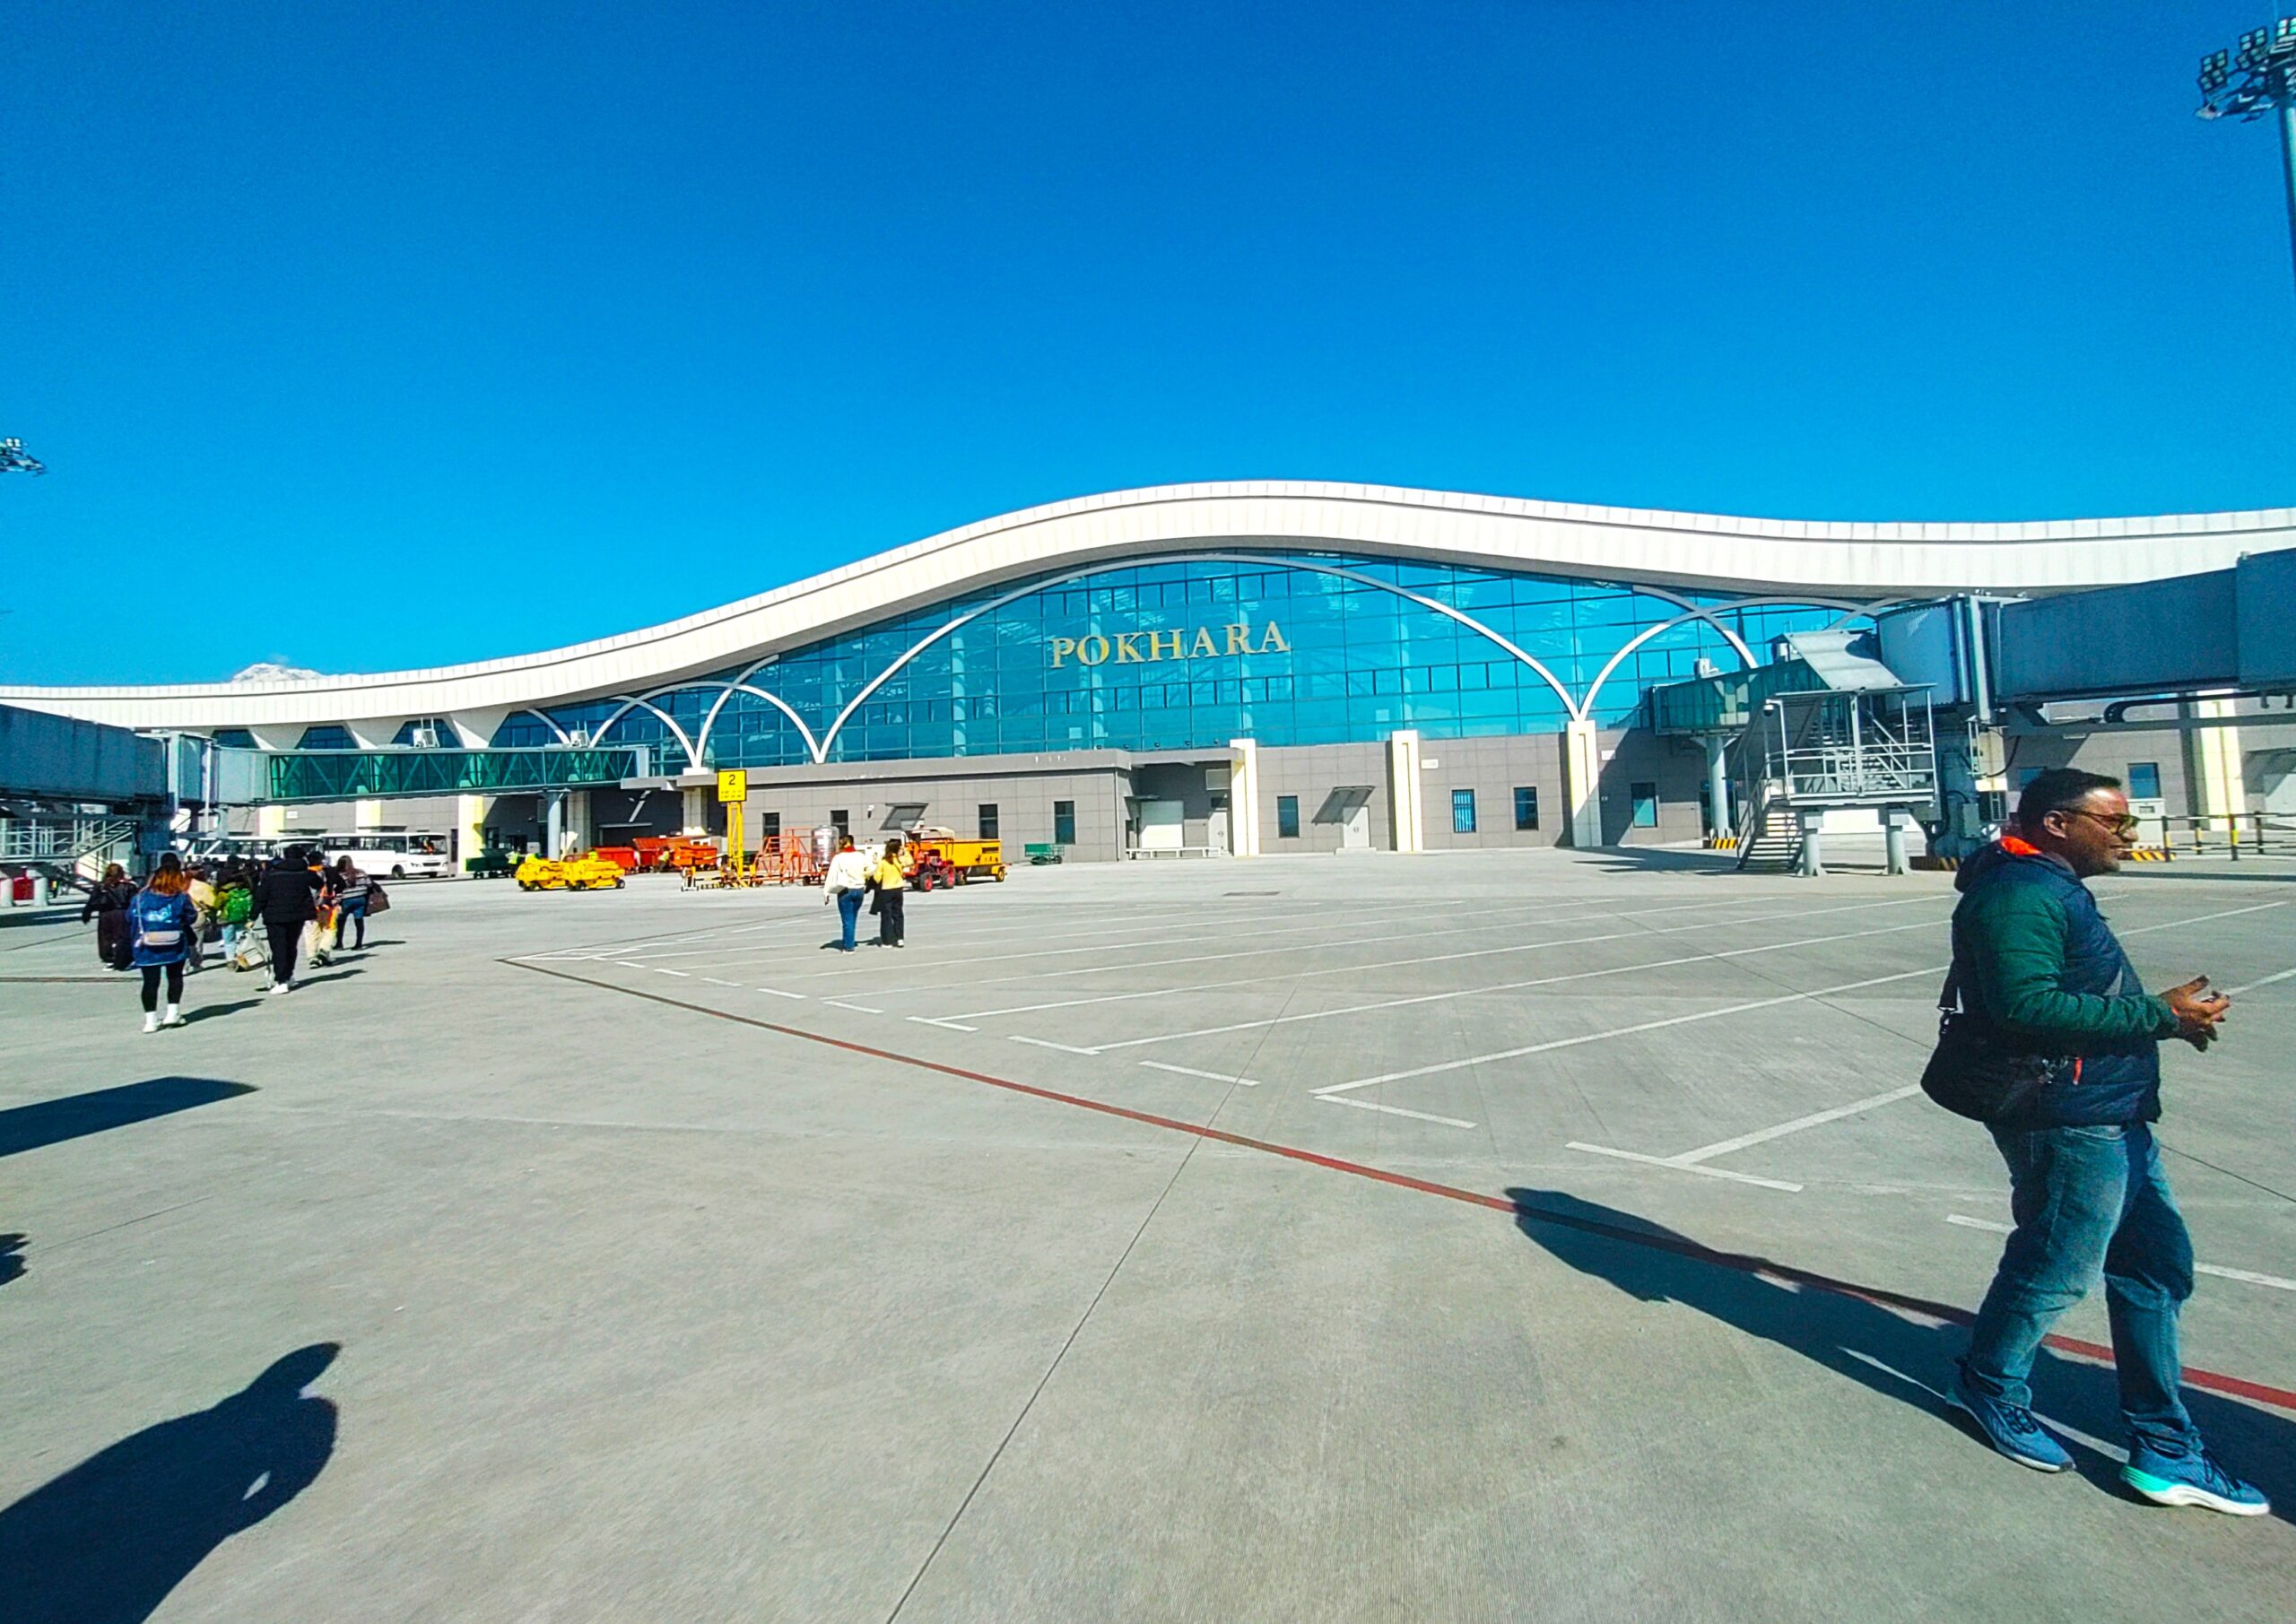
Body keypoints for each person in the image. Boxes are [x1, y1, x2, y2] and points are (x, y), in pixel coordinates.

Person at [1927, 767, 2263, 1515]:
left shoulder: (2047, 885)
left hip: (2109, 1107)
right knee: (2055, 1266)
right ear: (2056, 822)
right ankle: (1988, 1386)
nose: (2127, 837)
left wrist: (2170, 1022)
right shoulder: (2018, 893)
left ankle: (2164, 1446)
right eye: (2114, 823)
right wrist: (2158, 1016)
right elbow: (2026, 1006)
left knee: (2154, 1267)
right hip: (2068, 1117)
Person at [128, 852, 198, 1032]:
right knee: (175, 977)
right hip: (174, 942)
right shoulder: (180, 897)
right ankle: (172, 1013)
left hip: (146, 944)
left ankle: (150, 1020)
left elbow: (130, 918)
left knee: (150, 982)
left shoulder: (139, 898)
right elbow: (191, 917)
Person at [254, 846, 318, 995]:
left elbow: (261, 897)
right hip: (298, 915)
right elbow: (319, 884)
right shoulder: (306, 873)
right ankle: (289, 975)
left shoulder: (272, 874)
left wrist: (253, 916)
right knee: (291, 946)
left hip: (274, 916)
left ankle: (281, 980)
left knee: (279, 948)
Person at [82, 863, 138, 971]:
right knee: (122, 937)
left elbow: (92, 901)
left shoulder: (101, 886)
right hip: (122, 913)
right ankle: (122, 958)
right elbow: (134, 901)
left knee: (105, 937)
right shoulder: (129, 886)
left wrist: (87, 913)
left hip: (105, 913)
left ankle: (108, 959)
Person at [821, 835, 869, 952]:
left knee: (847, 919)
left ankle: (848, 946)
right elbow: (871, 868)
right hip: (859, 889)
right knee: (853, 917)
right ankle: (849, 941)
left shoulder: (839, 858)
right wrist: (864, 877)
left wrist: (826, 892)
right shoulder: (861, 856)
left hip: (845, 890)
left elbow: (831, 875)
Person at [868, 836, 908, 949]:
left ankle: (887, 940)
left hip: (886, 890)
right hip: (898, 889)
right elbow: (909, 861)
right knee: (898, 914)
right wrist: (903, 852)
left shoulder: (884, 862)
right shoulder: (900, 861)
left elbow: (877, 878)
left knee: (886, 915)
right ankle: (899, 938)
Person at [330, 856, 371, 951]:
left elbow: (336, 888)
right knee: (359, 921)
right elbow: (369, 884)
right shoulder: (361, 872)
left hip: (346, 900)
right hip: (361, 899)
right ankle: (359, 944)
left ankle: (339, 944)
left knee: (341, 921)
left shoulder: (339, 874)